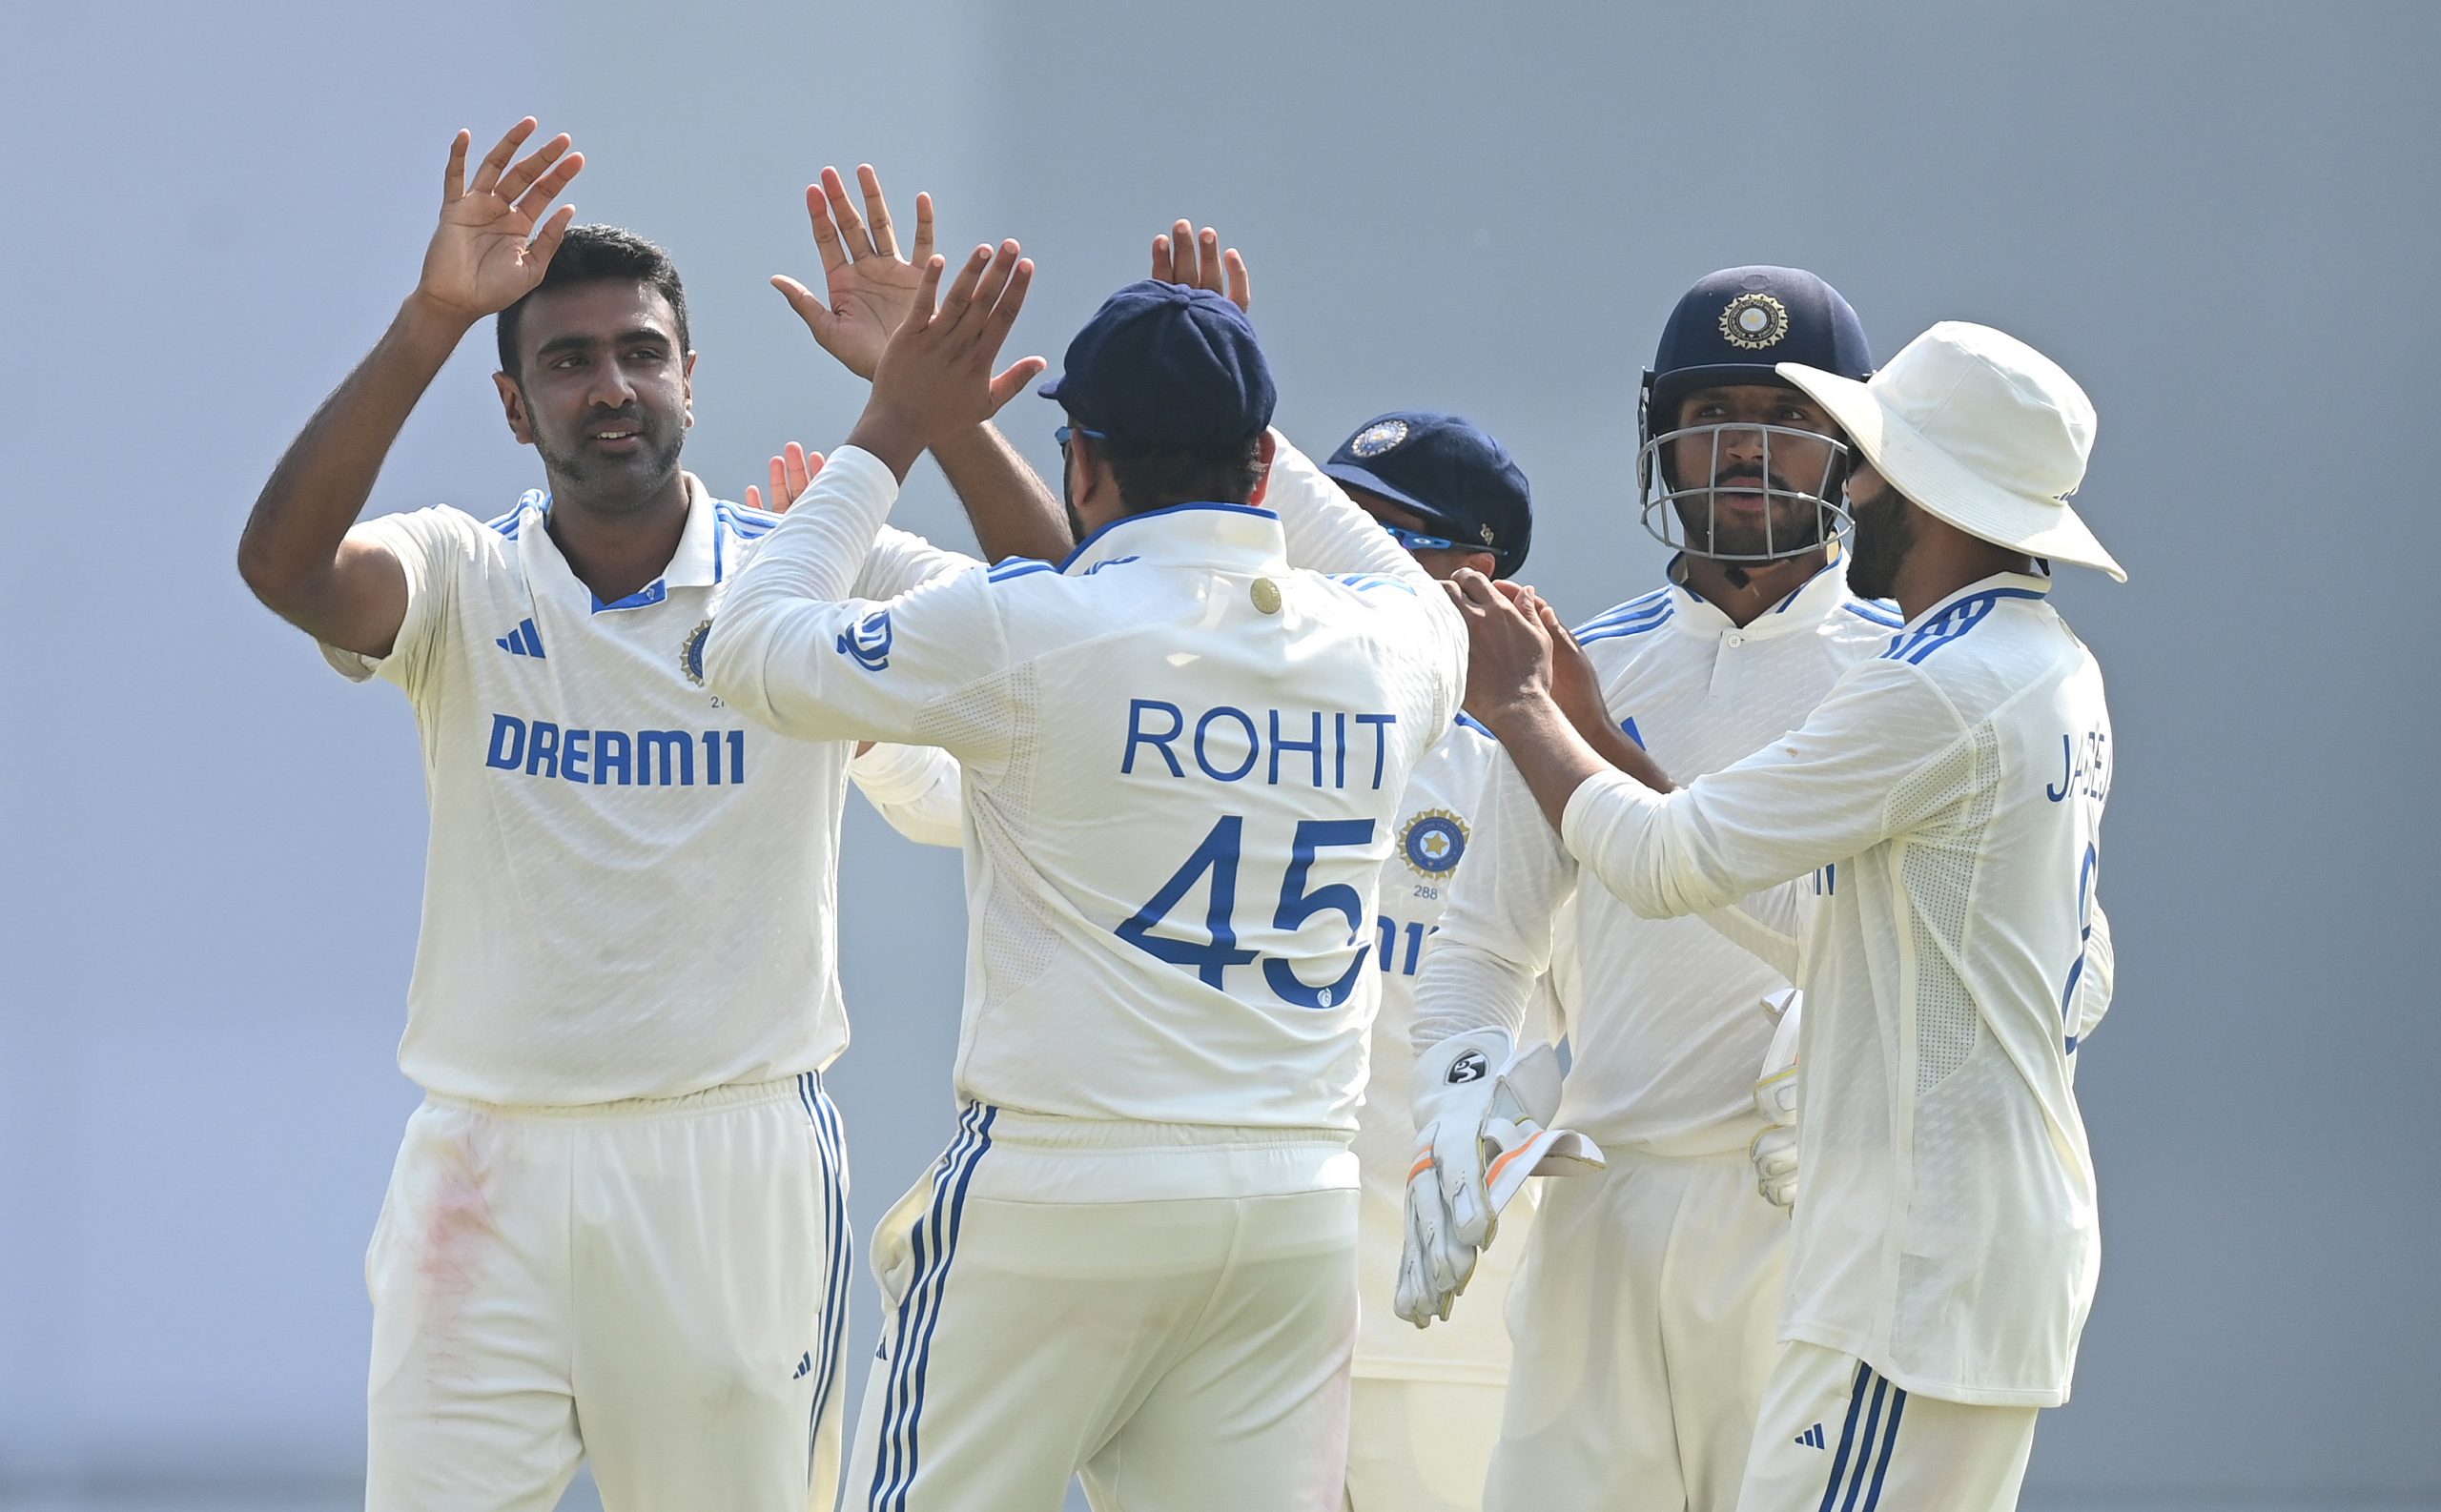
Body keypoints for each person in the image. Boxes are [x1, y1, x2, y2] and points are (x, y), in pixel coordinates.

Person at [233, 122, 1061, 1512]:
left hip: (726, 1163)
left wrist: (936, 400)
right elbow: (285, 565)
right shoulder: (457, 576)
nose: (609, 386)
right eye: (566, 360)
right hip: (485, 1164)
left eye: (639, 353)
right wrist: (436, 313)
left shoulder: (808, 572)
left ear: (691, 376)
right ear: (514, 406)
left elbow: (1071, 625)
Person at [701, 238, 1468, 1510]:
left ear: (1087, 464)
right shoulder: (1387, 645)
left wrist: (896, 421)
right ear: (1266, 461)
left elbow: (748, 649)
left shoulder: (1027, 631)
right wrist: (1230, 370)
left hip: (1061, 1193)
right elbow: (1387, 581)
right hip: (1291, 1205)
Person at [1443, 320, 2124, 1512]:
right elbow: (1784, 898)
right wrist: (1598, 735)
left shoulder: (1928, 682)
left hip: (1902, 1250)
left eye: (1861, 454)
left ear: (1934, 489)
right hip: (1933, 1241)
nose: (1852, 489)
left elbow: (1666, 866)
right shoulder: (2045, 663)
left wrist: (1522, 707)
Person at [1403, 266, 1897, 1512]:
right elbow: (1484, 941)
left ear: (1850, 453)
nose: (1743, 449)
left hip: (1807, 1216)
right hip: (1601, 1214)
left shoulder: (1906, 680)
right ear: (1660, 439)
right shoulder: (1583, 664)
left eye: (1783, 419)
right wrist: (1457, 1106)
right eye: (1710, 416)